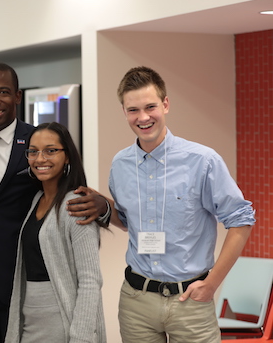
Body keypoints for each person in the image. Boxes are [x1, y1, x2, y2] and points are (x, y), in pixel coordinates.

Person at [0, 61, 110, 343]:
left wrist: (102, 207)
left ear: (17, 96)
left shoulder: (36, 141)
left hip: (21, 274)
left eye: (4, 92)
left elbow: (66, 185)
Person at [108, 66, 255, 343]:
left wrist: (212, 284)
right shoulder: (120, 165)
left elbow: (241, 219)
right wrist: (102, 206)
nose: (143, 117)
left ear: (165, 104)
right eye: (133, 110)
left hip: (190, 302)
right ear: (124, 111)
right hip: (136, 301)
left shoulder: (203, 160)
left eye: (150, 106)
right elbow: (128, 221)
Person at [4, 122, 107, 343]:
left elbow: (90, 280)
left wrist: (81, 337)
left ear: (67, 156)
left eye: (51, 151)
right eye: (33, 151)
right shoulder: (36, 200)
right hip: (31, 318)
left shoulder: (76, 206)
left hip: (61, 320)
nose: (40, 159)